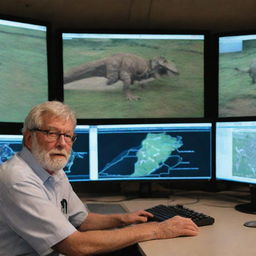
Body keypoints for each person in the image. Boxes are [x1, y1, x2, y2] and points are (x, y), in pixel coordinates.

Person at [0, 101, 199, 256]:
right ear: (28, 138)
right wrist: (156, 230)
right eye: (52, 133)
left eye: (68, 136)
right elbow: (75, 245)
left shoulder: (52, 170)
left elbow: (82, 221)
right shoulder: (18, 179)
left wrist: (122, 219)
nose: (62, 143)